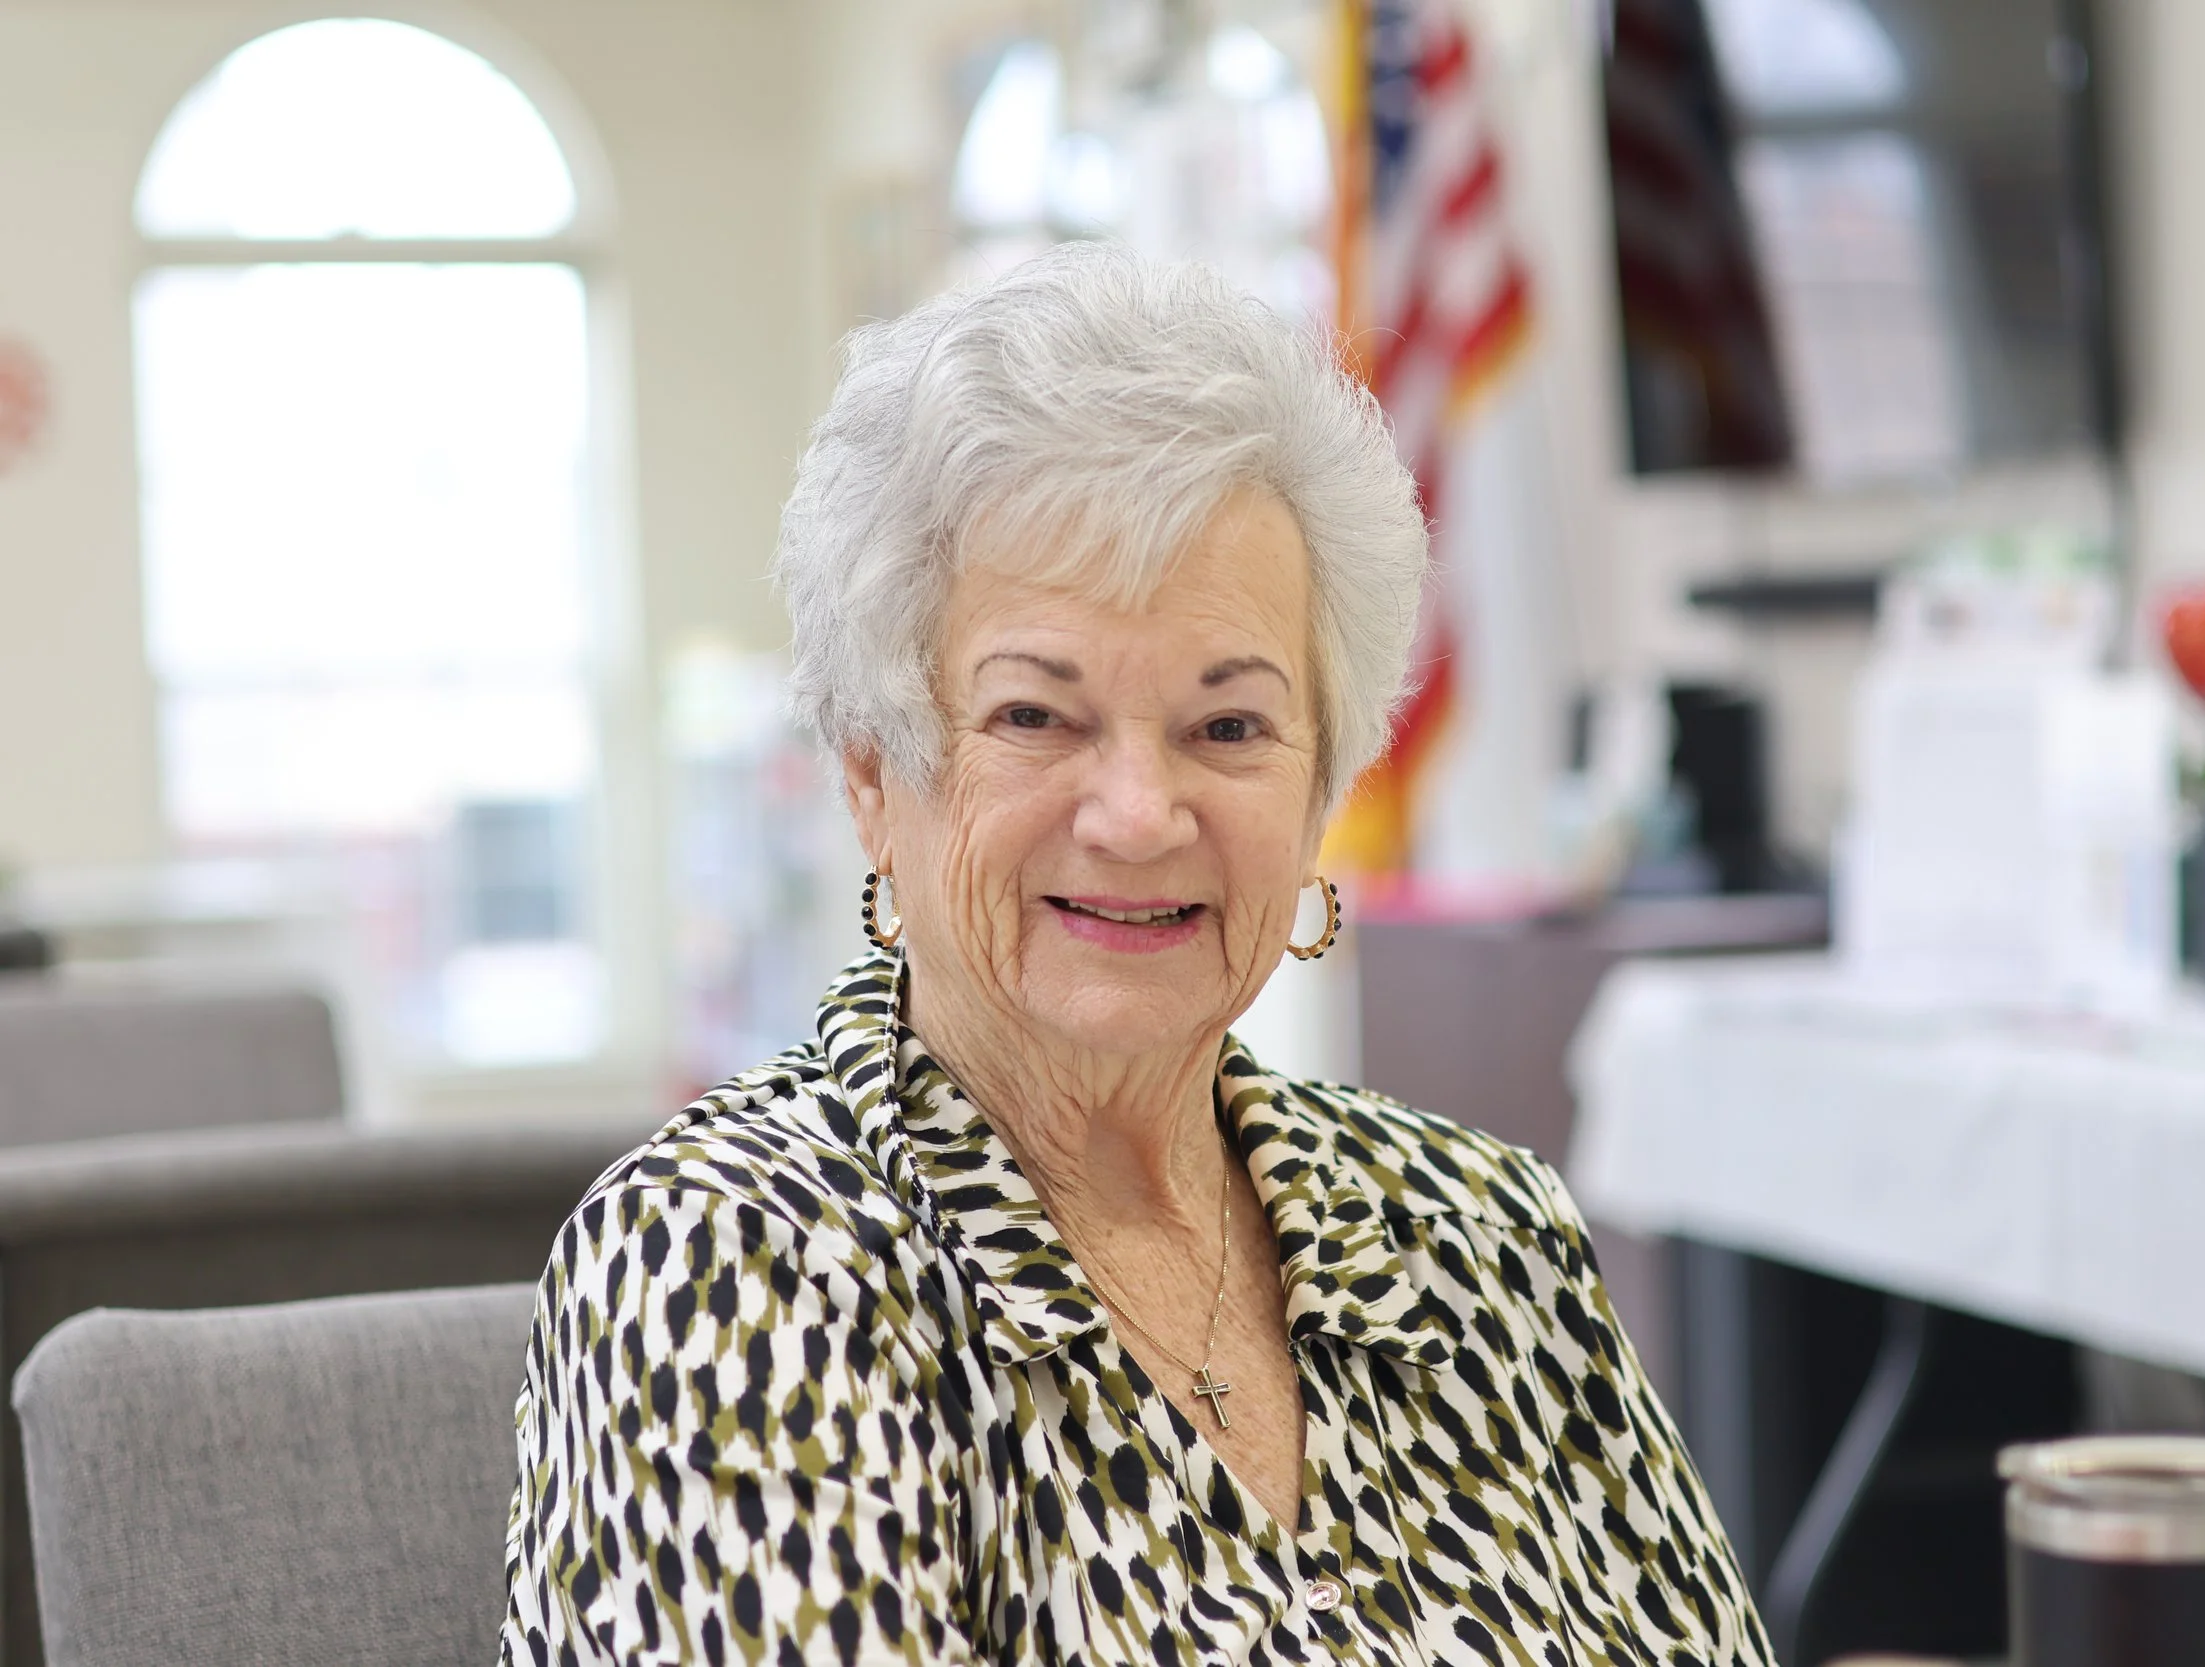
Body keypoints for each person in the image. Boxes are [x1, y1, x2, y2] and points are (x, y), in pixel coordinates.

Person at [502, 242, 1772, 1666]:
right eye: (1038, 717)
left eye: (1228, 727)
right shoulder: (736, 1264)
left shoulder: (1482, 1235)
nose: (1140, 813)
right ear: (875, 774)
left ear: (1318, 790)